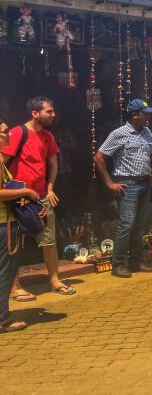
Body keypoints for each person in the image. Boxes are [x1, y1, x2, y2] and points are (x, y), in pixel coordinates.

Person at [0, 96, 74, 298]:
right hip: (17, 199)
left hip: (41, 197)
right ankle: (15, 288)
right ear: (35, 113)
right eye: (48, 111)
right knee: (14, 245)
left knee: (48, 240)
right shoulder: (17, 133)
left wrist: (49, 189)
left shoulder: (48, 137)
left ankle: (54, 280)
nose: (53, 115)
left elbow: (53, 165)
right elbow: (2, 160)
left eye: (52, 111)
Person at [94, 99, 152, 278]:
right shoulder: (119, 134)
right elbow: (99, 157)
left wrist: (150, 175)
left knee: (139, 225)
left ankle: (136, 262)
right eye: (145, 113)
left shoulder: (147, 132)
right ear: (135, 115)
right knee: (126, 224)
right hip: (128, 184)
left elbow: (149, 155)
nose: (148, 116)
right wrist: (109, 183)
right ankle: (118, 264)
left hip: (144, 183)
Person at [0, 117, 41, 332]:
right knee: (5, 271)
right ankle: (2, 319)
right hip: (3, 225)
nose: (9, 135)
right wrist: (25, 191)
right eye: (5, 132)